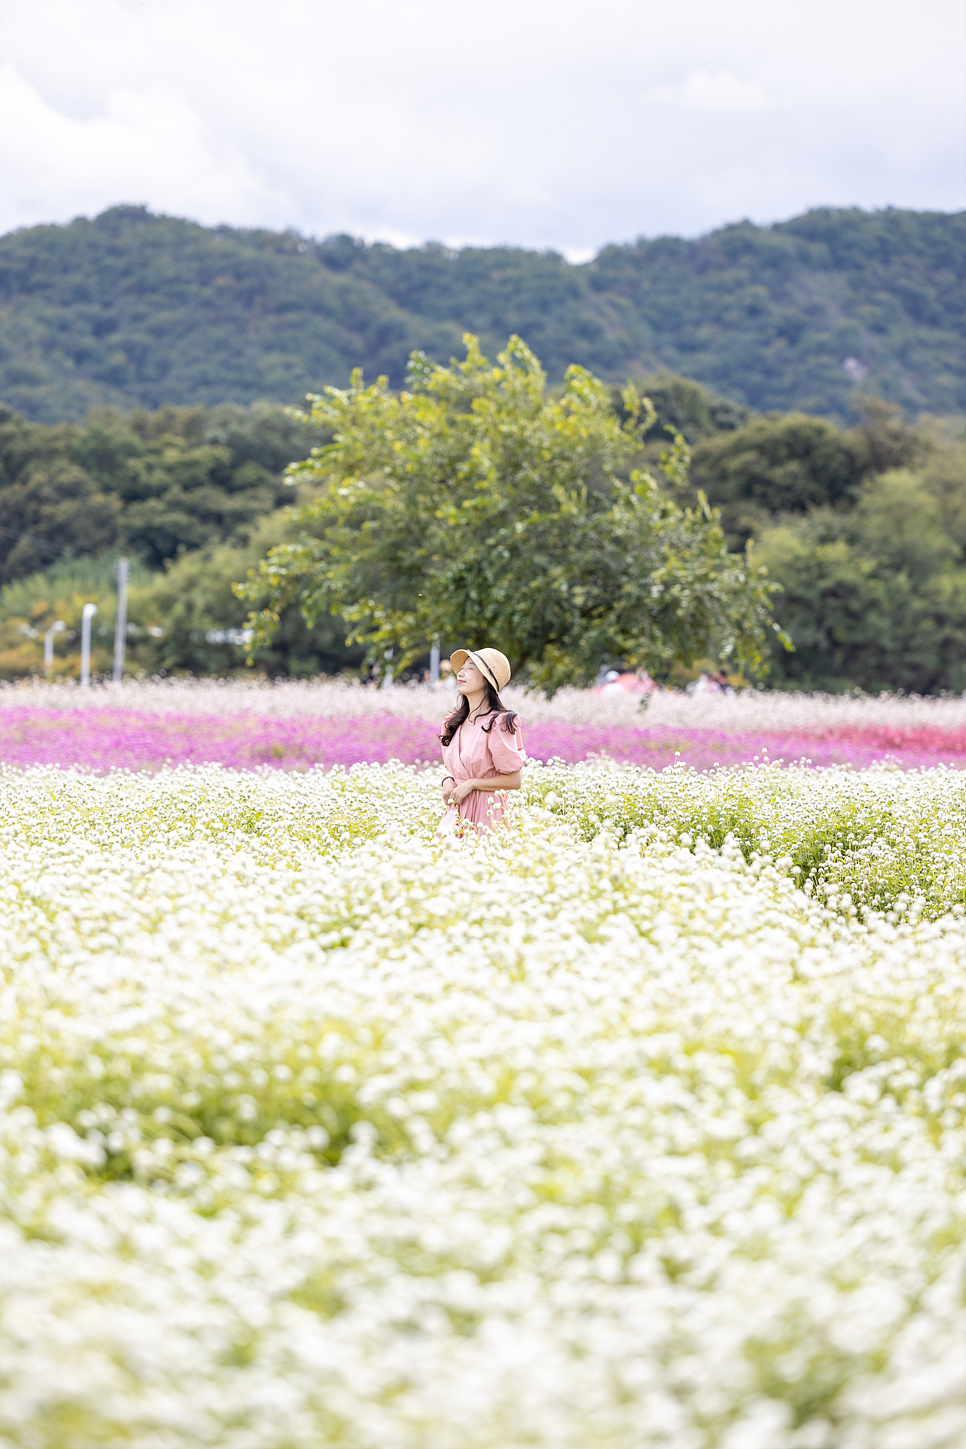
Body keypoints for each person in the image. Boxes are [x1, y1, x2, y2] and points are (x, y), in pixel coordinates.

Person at [438, 647, 526, 835]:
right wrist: (447, 781)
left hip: (488, 812)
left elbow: (514, 780)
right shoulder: (451, 722)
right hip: (456, 811)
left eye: (470, 668)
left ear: (487, 679)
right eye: (461, 669)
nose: (460, 673)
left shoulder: (499, 722)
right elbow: (458, 770)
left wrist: (472, 784)